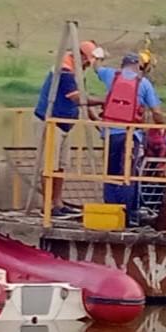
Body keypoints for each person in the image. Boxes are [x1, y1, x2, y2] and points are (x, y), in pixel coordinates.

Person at [33, 40, 104, 216]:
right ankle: (48, 205)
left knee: (61, 166)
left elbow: (85, 102)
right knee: (49, 166)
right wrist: (104, 100)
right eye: (88, 60)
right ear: (80, 56)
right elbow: (78, 99)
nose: (89, 64)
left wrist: (97, 123)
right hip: (51, 122)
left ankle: (58, 202)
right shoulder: (64, 70)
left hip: (65, 124)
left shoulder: (79, 72)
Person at [97, 51, 164, 216]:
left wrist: (99, 55)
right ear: (137, 66)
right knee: (128, 174)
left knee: (110, 173)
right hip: (130, 136)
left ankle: (111, 210)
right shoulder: (144, 83)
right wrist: (161, 126)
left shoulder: (110, 75)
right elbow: (156, 111)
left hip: (110, 135)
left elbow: (96, 67)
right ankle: (128, 213)